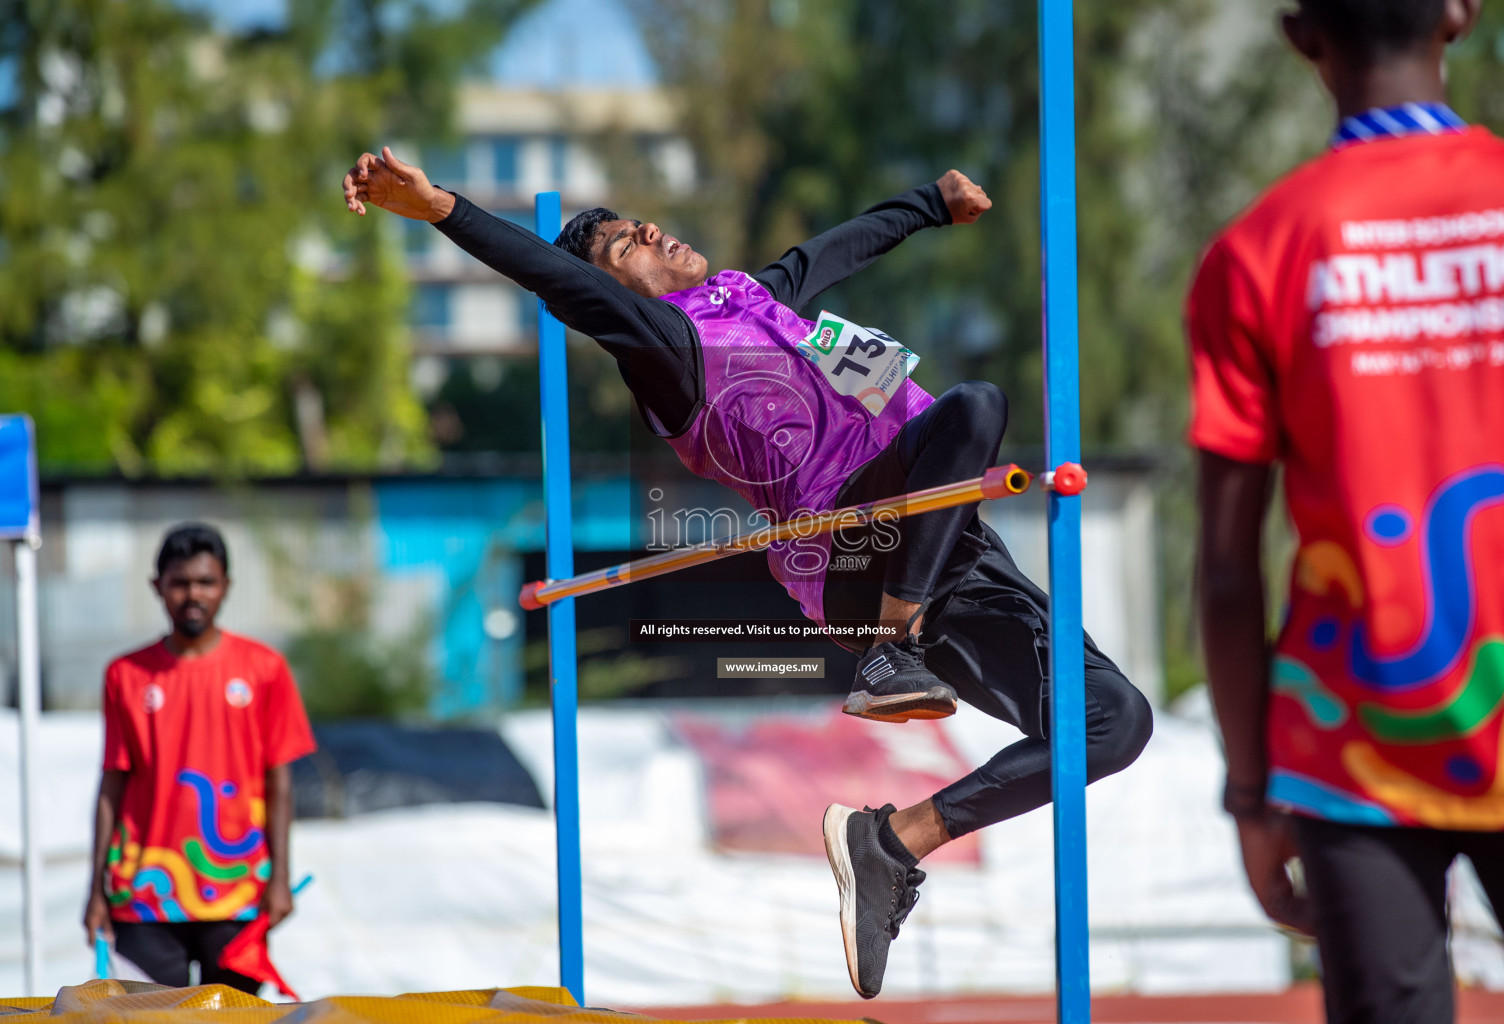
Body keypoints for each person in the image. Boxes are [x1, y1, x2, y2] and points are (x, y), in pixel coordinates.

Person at [343, 151, 1152, 998]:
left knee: (1115, 723)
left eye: (637, 223)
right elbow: (554, 276)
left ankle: (896, 841)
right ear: (618, 293)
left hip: (948, 544)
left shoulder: (747, 298)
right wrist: (441, 209)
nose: (649, 230)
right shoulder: (669, 348)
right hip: (853, 556)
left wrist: (929, 204)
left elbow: (825, 256)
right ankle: (889, 649)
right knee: (977, 405)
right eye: (625, 248)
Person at [1188, 1, 1504, 1020]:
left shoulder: (1259, 251)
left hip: (1351, 739)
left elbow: (1224, 566)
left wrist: (1251, 796)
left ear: (1301, 34)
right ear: (1461, 14)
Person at [82, 524, 316, 992]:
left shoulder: (264, 669)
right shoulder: (125, 675)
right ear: (158, 587)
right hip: (144, 894)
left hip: (237, 891)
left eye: (206, 582)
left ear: (226, 586)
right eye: (180, 582)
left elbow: (280, 781)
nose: (193, 594)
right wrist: (96, 889)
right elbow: (113, 782)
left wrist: (281, 879)